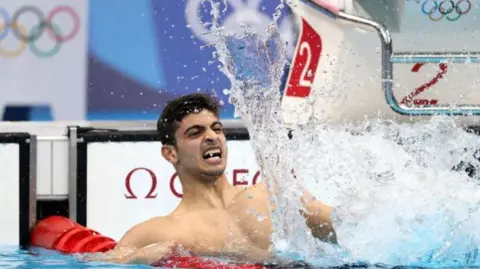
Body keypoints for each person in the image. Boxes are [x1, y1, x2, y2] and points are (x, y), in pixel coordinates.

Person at [86, 93, 337, 265]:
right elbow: (96, 263)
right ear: (170, 153)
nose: (211, 137)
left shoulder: (274, 196)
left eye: (216, 129)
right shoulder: (158, 231)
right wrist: (135, 259)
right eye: (195, 132)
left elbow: (349, 232)